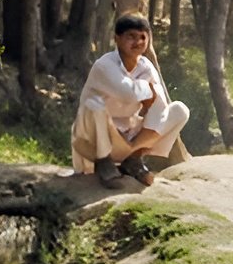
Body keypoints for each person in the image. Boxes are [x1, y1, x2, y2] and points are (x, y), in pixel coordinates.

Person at [71, 13, 192, 190]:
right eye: (131, 37)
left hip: (128, 138)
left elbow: (160, 104)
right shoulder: (104, 65)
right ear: (117, 39)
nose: (138, 42)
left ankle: (133, 158)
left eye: (143, 37)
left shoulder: (146, 67)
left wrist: (137, 141)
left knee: (179, 110)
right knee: (93, 105)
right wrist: (149, 91)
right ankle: (104, 164)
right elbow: (126, 93)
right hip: (95, 140)